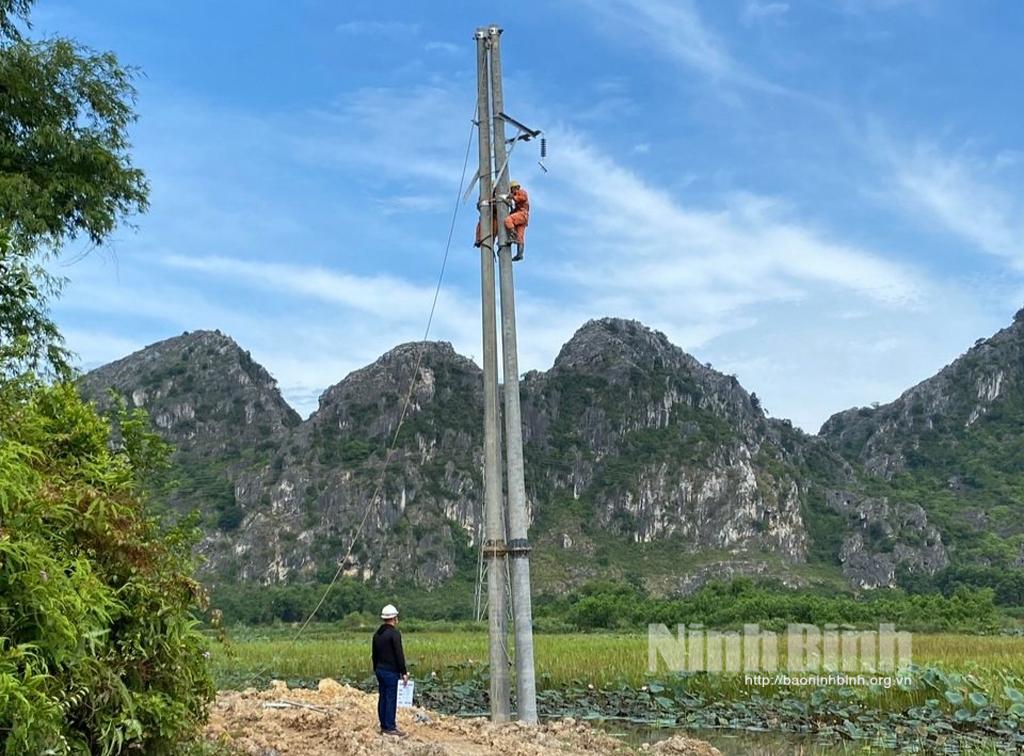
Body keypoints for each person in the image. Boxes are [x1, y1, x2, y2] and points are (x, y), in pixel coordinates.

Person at [371, 604, 408, 737]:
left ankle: (383, 725)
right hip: (390, 671)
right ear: (394, 618)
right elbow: (399, 654)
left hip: (380, 670)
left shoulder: (377, 634)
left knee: (383, 697)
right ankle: (390, 727)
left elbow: (374, 654)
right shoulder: (394, 634)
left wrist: (375, 668)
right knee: (391, 698)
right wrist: (403, 672)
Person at [504, 179, 529, 261]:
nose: (512, 191)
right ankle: (520, 254)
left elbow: (523, 198)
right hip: (523, 217)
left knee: (508, 220)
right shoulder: (518, 197)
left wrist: (513, 197)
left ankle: (513, 236)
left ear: (515, 188)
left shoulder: (521, 192)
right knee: (520, 236)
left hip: (522, 215)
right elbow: (517, 208)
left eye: (512, 189)